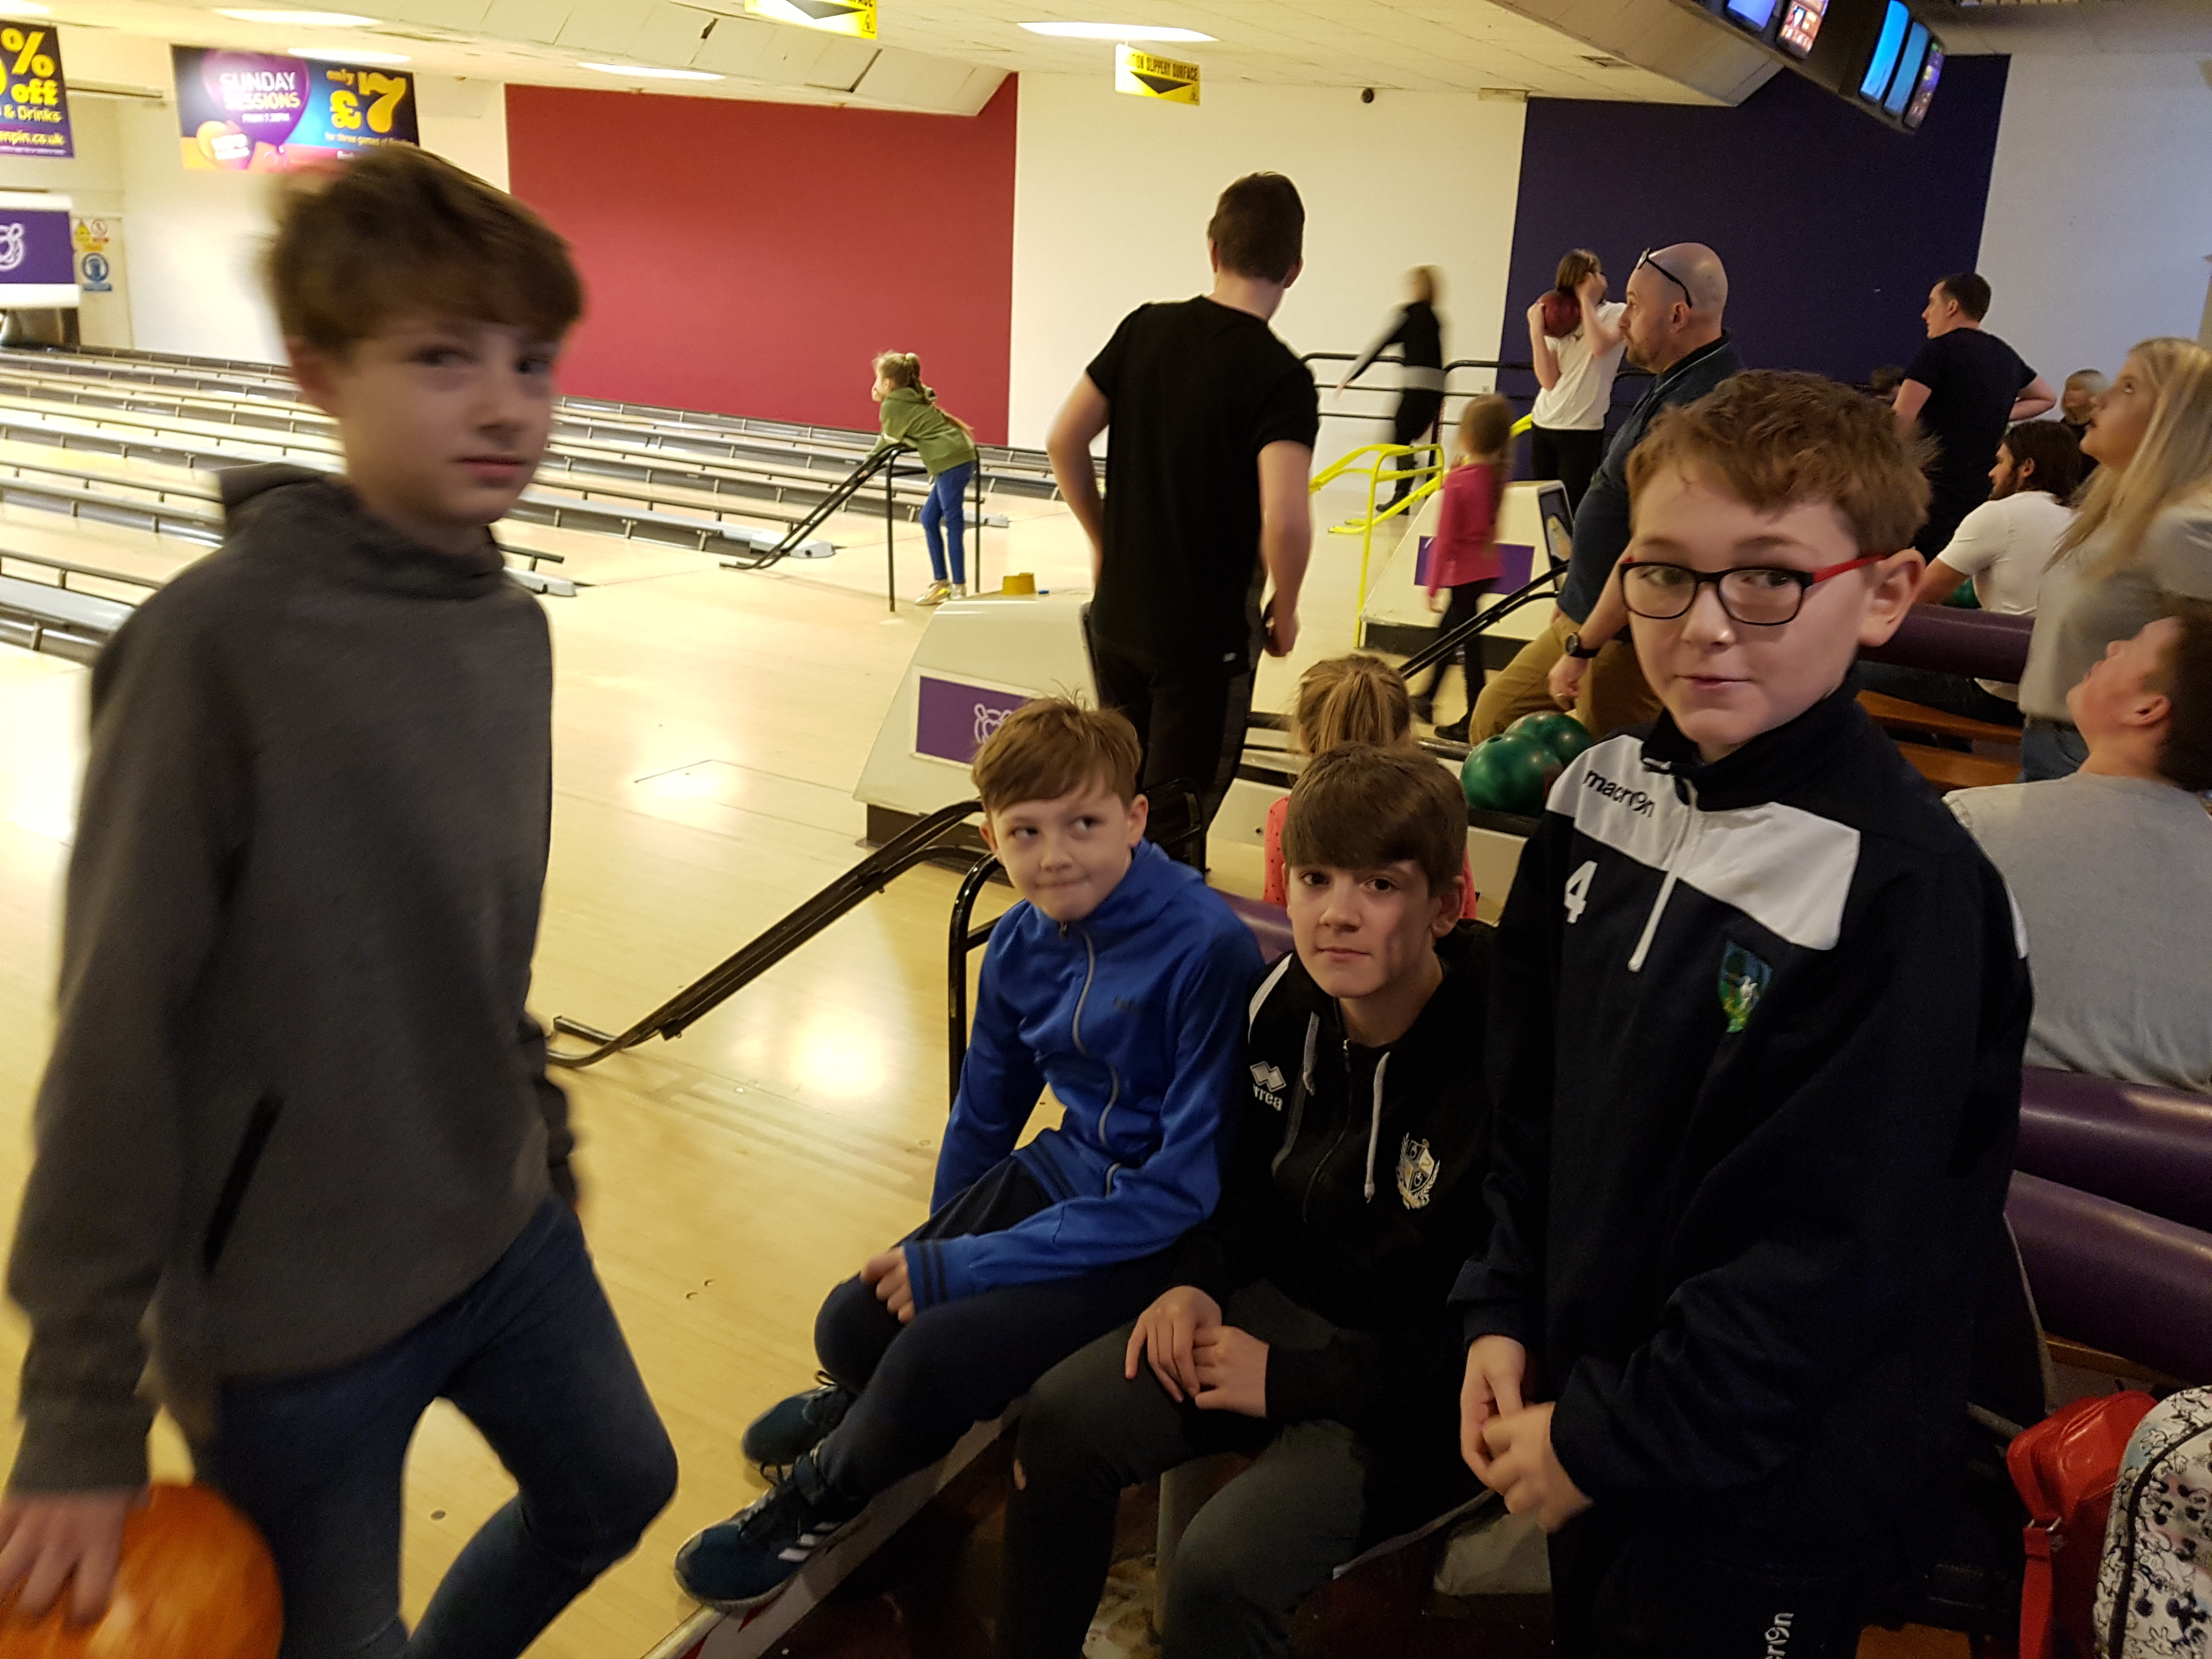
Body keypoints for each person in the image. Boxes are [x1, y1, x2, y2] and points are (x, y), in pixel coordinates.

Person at [0, 148, 679, 1654]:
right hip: (289, 1320)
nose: (506, 406)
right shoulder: (211, 653)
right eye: (442, 358)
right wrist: (80, 1410)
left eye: (532, 360)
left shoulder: (509, 630)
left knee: (620, 1484)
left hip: (499, 1225)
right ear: (318, 371)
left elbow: (486, 944)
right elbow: (115, 1037)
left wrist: (541, 1138)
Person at [1455, 372, 2030, 1657]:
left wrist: (1614, 1436)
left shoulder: (1908, 893)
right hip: (1591, 1412)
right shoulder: (1595, 798)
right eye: (1666, 573)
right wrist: (1500, 1304)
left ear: (1883, 593)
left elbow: (1832, 1254)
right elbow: (1530, 1102)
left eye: (1769, 577)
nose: (1706, 626)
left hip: (1764, 1491)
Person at [674, 698, 1262, 1611]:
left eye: (1084, 824)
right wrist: (939, 1248)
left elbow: (1180, 1189)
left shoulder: (1206, 949)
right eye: (1025, 832)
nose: (1054, 854)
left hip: (1159, 1234)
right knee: (851, 1324)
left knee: (929, 1361)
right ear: (991, 837)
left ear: (1135, 819)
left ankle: (821, 1494)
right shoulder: (1020, 943)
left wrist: (967, 1269)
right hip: (1068, 1173)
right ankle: (864, 1402)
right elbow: (983, 1120)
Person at [998, 743, 1493, 1659]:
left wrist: (1288, 1380)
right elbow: (1240, 1189)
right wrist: (1196, 1281)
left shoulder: (1505, 1059)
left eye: (1380, 884)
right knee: (1062, 1419)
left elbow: (1492, 1328)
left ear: (1445, 904)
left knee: (1218, 1570)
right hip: (1285, 1315)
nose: (1337, 913)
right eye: (1316, 878)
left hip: (1422, 1391)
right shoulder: (1282, 1002)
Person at [1047, 173, 1319, 844]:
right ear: (1294, 269)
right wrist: (1284, 609)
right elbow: (1286, 517)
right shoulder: (1281, 377)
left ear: (1213, 249)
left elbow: (1064, 440)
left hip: (1116, 621)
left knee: (1121, 804)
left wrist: (1104, 540)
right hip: (1202, 645)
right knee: (1173, 825)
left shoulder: (1145, 327)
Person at [1471, 242, 1742, 744]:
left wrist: (1585, 646)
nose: (1624, 320)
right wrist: (1576, 596)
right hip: (1590, 617)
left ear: (1678, 315)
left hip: (1625, 637)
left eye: (1634, 306)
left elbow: (1653, 548)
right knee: (1494, 718)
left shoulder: (1704, 405)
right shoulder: (1677, 378)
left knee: (1610, 766)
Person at [1951, 607, 2212, 1094]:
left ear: (2146, 709)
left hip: (1973, 1125)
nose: (2112, 646)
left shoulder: (1974, 824)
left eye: (2132, 645)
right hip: (2168, 1141)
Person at [2017, 337, 2212, 780]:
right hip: (2057, 741)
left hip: (2101, 758)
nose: (2098, 400)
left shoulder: (2181, 526)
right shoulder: (2120, 512)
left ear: (2175, 418)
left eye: (2128, 387)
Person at [1859, 418, 2084, 725]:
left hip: (2000, 694)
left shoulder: (2001, 514)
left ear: (2027, 468)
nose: (1992, 473)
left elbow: (1919, 595)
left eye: (2001, 462)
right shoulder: (2082, 520)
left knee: (1858, 665)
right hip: (2061, 693)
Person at [1261, 655, 1477, 921]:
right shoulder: (1435, 814)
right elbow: (1463, 915)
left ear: (1304, 738)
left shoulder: (1286, 816)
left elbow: (1276, 920)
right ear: (1407, 739)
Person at [1893, 272, 2057, 557]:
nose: (1925, 314)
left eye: (1932, 304)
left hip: (1932, 485)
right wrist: (1996, 412)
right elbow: (2046, 397)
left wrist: (1886, 469)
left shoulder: (1938, 351)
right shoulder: (2005, 355)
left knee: (1910, 561)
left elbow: (1902, 417)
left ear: (1952, 306)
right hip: (1979, 488)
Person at [1417, 392, 1513, 733]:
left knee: (1469, 647)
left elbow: (1444, 541)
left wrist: (1432, 584)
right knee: (1449, 633)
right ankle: (1427, 695)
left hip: (1465, 577)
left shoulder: (1458, 482)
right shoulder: (1496, 476)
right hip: (1485, 572)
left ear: (1466, 436)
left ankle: (1473, 713)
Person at [870, 349, 980, 606]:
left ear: (888, 384)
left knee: (952, 521)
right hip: (958, 454)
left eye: (877, 379)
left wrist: (869, 462)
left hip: (951, 460)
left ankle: (959, 588)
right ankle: (941, 583)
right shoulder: (912, 395)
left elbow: (888, 438)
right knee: (929, 518)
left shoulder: (893, 404)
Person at [1525, 250, 1627, 514]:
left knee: (1572, 508)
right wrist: (1536, 332)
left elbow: (1599, 347)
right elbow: (1548, 380)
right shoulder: (1559, 318)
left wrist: (1586, 301)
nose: (1601, 279)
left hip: (1582, 429)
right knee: (1544, 510)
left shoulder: (1618, 313)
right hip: (1544, 422)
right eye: (1595, 274)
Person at [1336, 266, 1445, 510]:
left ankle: (1407, 493)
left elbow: (1380, 343)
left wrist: (1352, 375)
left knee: (1397, 440)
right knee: (1404, 440)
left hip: (1416, 387)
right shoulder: (1436, 318)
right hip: (1435, 390)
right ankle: (1415, 486)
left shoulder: (1408, 314)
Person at [2060, 368, 2108, 479]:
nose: (2069, 393)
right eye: (2067, 389)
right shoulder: (2062, 426)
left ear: (2095, 393)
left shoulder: (2102, 428)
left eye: (2076, 389)